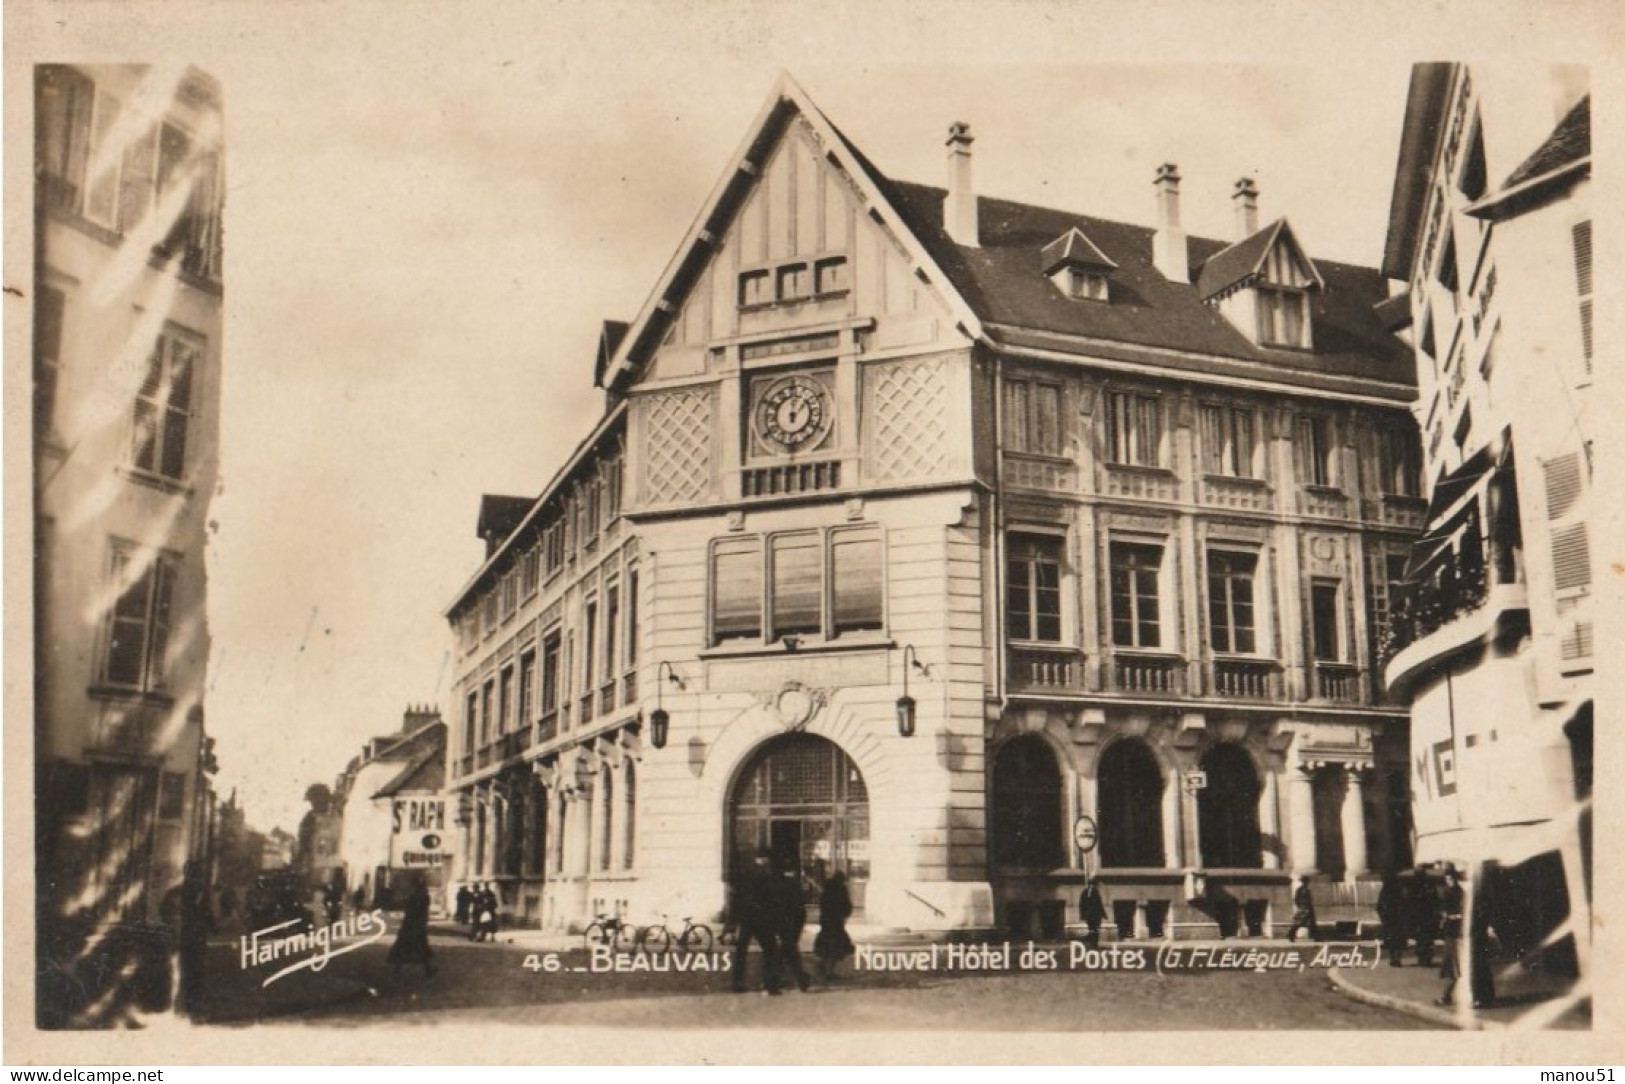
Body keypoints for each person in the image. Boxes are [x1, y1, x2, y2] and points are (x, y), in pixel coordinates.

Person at [728, 849, 782, 995]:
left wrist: (732, 923)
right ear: (766, 860)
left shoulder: (745, 874)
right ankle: (770, 984)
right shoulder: (767, 875)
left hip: (746, 919)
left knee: (741, 951)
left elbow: (736, 899)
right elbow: (772, 900)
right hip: (761, 920)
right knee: (771, 950)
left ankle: (737, 983)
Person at [172, 861, 214, 1019]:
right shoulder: (201, 891)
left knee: (186, 969)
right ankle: (195, 1006)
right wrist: (213, 928)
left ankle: (186, 1004)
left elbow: (165, 909)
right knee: (198, 971)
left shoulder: (177, 890)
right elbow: (207, 912)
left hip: (185, 934)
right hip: (197, 935)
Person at [773, 860, 812, 992]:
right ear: (792, 871)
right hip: (793, 924)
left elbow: (777, 907)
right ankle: (800, 980)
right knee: (789, 952)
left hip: (784, 924)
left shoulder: (779, 885)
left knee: (787, 952)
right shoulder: (795, 885)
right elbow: (800, 910)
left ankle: (778, 980)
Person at [388, 877, 435, 978]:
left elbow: (409, 908)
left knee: (403, 947)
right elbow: (422, 911)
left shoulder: (414, 897)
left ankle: (397, 969)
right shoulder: (424, 897)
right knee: (420, 947)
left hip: (409, 925)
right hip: (417, 925)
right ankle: (428, 970)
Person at [814, 872, 855, 981]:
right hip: (836, 923)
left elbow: (823, 905)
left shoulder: (826, 890)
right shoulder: (841, 890)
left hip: (826, 922)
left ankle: (823, 966)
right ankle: (828, 971)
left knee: (828, 947)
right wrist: (845, 914)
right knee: (837, 948)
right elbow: (847, 906)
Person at [1434, 866, 1466, 1006]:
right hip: (1454, 932)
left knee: (1453, 966)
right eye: (1447, 878)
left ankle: (1446, 996)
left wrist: (1448, 917)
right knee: (1454, 966)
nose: (1448, 881)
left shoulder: (1452, 893)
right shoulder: (1458, 892)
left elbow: (1447, 913)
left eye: (1450, 878)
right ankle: (1447, 995)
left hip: (1454, 932)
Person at [1377, 872, 1407, 966]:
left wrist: (1382, 916)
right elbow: (1405, 904)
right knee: (1399, 939)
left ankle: (1392, 958)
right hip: (1399, 919)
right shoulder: (1400, 889)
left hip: (1389, 919)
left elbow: (1379, 906)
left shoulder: (1385, 890)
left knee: (1390, 939)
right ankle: (1397, 958)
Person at [1286, 876, 1316, 943]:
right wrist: (1301, 906)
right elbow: (1296, 899)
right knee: (1299, 922)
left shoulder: (1304, 889)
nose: (1306, 883)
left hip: (1306, 908)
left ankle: (1315, 936)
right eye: (1305, 881)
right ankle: (1291, 935)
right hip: (1304, 908)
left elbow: (1297, 899)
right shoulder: (1302, 889)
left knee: (1310, 923)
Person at [1078, 878, 1106, 949]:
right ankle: (1092, 943)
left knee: (1092, 929)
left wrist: (1083, 915)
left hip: (1089, 915)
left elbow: (1082, 904)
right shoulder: (1094, 891)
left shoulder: (1085, 891)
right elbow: (1099, 903)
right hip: (1095, 915)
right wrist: (1103, 914)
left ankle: (1092, 943)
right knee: (1095, 930)